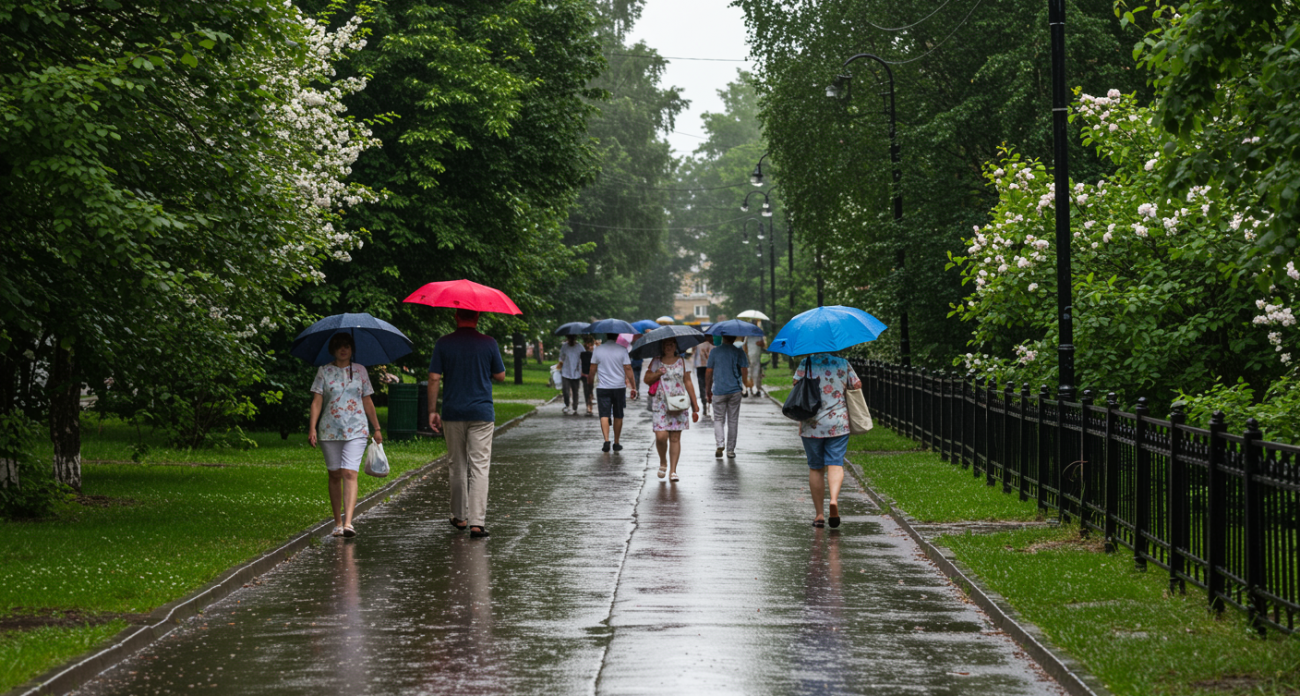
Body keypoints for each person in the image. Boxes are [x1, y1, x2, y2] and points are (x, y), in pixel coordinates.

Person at [428, 308, 507, 539]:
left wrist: (432, 411)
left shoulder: (443, 343)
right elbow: (500, 375)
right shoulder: (488, 342)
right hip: (482, 412)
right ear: (478, 317)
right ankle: (477, 523)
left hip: (453, 411)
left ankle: (460, 517)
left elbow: (434, 377)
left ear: (455, 317)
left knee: (457, 464)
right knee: (480, 465)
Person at [308, 332, 383, 539]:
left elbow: (367, 400)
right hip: (329, 430)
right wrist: (312, 428)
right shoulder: (324, 371)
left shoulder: (360, 371)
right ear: (333, 349)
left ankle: (349, 523)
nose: (344, 349)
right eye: (339, 346)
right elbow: (317, 401)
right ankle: (338, 523)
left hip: (356, 429)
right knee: (334, 474)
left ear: (352, 350)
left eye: (347, 346)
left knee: (350, 473)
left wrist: (376, 428)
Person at [794, 353, 862, 528]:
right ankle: (833, 500)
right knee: (835, 463)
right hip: (838, 422)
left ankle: (819, 515)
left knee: (816, 468)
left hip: (812, 423)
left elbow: (796, 384)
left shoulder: (806, 363)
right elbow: (857, 384)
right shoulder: (843, 363)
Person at [644, 337, 699, 481]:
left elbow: (688, 382)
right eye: (666, 344)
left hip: (678, 404)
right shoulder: (656, 361)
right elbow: (646, 379)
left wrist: (695, 405)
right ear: (662, 346)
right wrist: (657, 373)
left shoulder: (682, 361)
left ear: (676, 345)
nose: (669, 346)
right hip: (660, 403)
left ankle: (673, 471)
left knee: (675, 438)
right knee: (661, 436)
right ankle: (663, 462)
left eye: (671, 344)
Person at [589, 332, 636, 452]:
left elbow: (592, 369)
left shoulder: (598, 350)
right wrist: (633, 386)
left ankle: (606, 440)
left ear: (606, 335)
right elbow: (628, 368)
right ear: (616, 336)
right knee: (618, 415)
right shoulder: (622, 350)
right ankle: (616, 442)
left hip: (603, 387)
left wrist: (589, 383)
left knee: (604, 414)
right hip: (619, 387)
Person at [705, 335, 749, 458]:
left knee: (718, 419)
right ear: (734, 337)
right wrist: (744, 384)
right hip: (735, 390)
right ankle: (730, 450)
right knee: (733, 421)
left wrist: (708, 390)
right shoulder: (739, 351)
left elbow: (709, 372)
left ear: (723, 336)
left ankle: (720, 444)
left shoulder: (714, 351)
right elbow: (744, 369)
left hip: (718, 390)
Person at [557, 334, 584, 415]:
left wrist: (582, 368)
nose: (571, 341)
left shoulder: (579, 347)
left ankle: (575, 406)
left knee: (575, 390)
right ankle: (566, 404)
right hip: (566, 371)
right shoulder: (564, 347)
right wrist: (559, 367)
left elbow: (584, 357)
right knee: (565, 390)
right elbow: (561, 357)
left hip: (576, 372)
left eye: (572, 339)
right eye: (569, 339)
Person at [743, 323, 766, 397]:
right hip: (750, 356)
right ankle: (750, 388)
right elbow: (745, 345)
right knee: (751, 373)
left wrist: (761, 344)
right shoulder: (748, 335)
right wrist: (745, 354)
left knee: (755, 373)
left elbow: (763, 345)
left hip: (756, 357)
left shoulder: (759, 335)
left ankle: (754, 389)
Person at [693, 340, 712, 417]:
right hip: (708, 366)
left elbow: (693, 352)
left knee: (702, 385)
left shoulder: (698, 342)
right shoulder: (712, 344)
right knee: (709, 384)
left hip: (700, 366)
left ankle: (705, 403)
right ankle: (707, 403)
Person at [579, 336, 595, 415]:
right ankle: (589, 406)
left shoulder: (594, 353)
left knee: (590, 389)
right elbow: (580, 363)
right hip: (585, 374)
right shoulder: (582, 353)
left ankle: (590, 404)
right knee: (587, 390)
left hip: (591, 374)